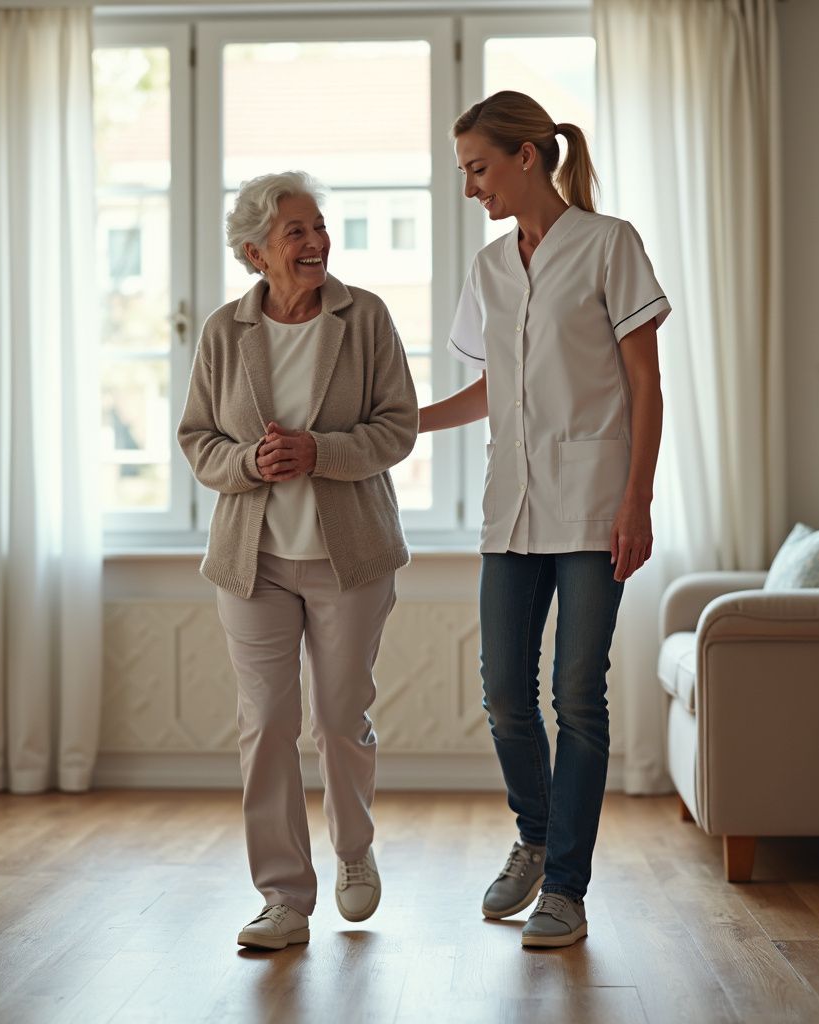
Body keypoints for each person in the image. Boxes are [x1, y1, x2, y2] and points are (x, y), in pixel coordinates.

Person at [419, 91, 669, 949]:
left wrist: (636, 500)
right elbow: (494, 388)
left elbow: (645, 384)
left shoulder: (610, 245)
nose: (470, 188)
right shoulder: (491, 268)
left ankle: (566, 886)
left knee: (577, 698)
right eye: (463, 173)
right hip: (511, 510)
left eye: (479, 169)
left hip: (596, 506)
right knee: (502, 697)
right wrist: (405, 423)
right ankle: (534, 836)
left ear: (529, 157)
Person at [178, 171, 418, 952]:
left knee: (339, 716)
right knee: (266, 724)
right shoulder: (224, 332)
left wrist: (321, 452)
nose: (315, 242)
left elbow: (397, 428)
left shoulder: (366, 317)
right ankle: (283, 897)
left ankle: (353, 852)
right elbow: (198, 440)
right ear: (256, 253)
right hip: (254, 564)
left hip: (349, 558)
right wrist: (251, 463)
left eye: (318, 227)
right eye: (296, 233)